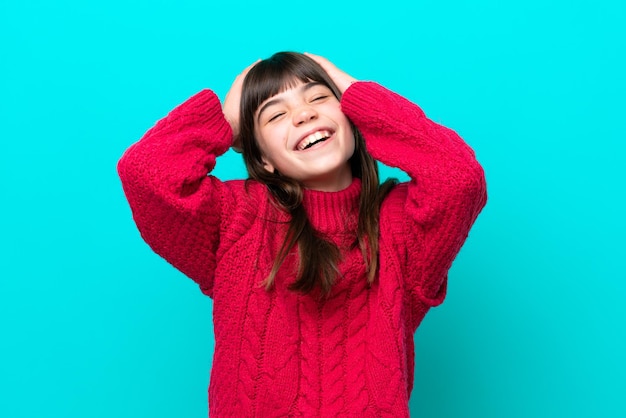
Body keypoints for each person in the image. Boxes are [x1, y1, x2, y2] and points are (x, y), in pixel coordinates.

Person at [117, 51, 487, 417]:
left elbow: (459, 178)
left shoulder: (402, 229)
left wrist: (353, 91)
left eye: (319, 97)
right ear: (262, 158)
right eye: (275, 114)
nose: (304, 114)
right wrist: (227, 120)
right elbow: (145, 173)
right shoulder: (234, 218)